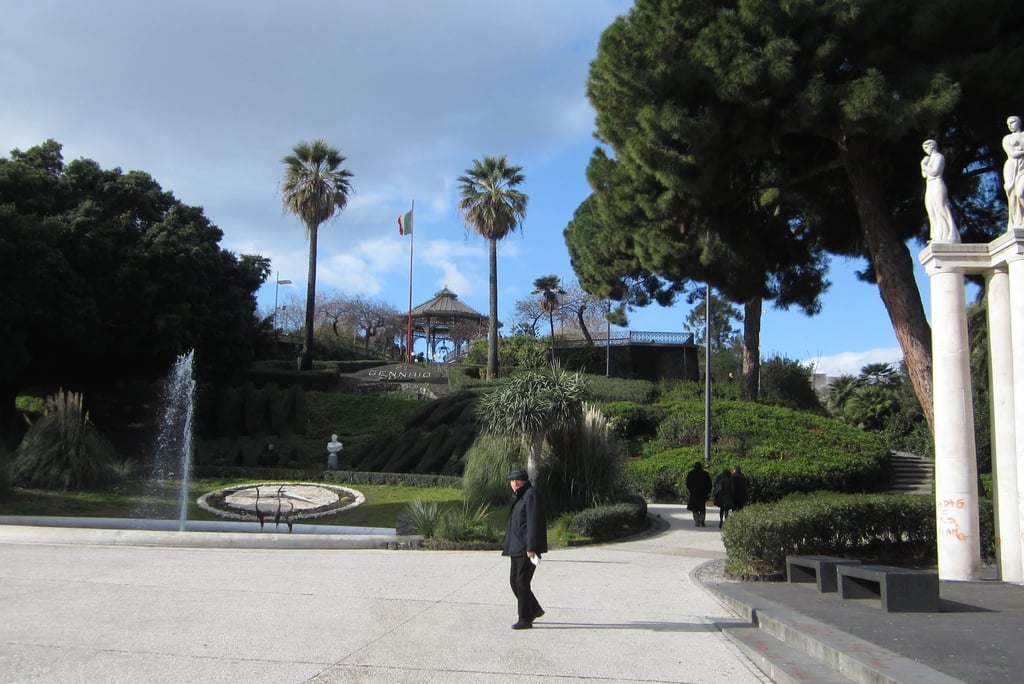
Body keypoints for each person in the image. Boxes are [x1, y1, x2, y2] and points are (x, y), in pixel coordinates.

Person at [502, 468, 548, 630]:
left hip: (526, 548)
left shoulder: (530, 495)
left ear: (519, 482)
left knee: (522, 582)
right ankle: (534, 609)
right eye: (511, 481)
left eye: (514, 481)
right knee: (514, 581)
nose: (512, 484)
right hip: (516, 547)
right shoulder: (520, 496)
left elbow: (533, 523)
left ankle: (525, 618)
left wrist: (531, 547)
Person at [920, 139, 959, 242]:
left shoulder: (939, 157)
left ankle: (952, 233)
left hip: (937, 182)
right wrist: (923, 164)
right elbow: (924, 175)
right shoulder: (929, 160)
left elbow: (935, 171)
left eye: (926, 148)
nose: (925, 150)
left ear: (932, 146)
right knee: (931, 209)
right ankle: (938, 236)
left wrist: (924, 166)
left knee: (941, 207)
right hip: (930, 184)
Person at [1004, 116, 1024, 229]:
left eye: (1013, 122)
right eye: (1008, 124)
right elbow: (1012, 154)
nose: (1010, 125)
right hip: (1011, 168)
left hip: (1023, 168)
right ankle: (1018, 220)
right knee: (1013, 195)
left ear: (1019, 122)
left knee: (1021, 193)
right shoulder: (1007, 138)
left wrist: (1019, 151)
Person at [684, 461, 713, 527]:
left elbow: (688, 483)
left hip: (694, 493)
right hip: (703, 493)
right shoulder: (705, 474)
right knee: (702, 508)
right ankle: (701, 520)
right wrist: (707, 492)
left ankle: (697, 521)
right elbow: (709, 484)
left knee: (695, 508)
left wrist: (691, 490)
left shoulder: (691, 473)